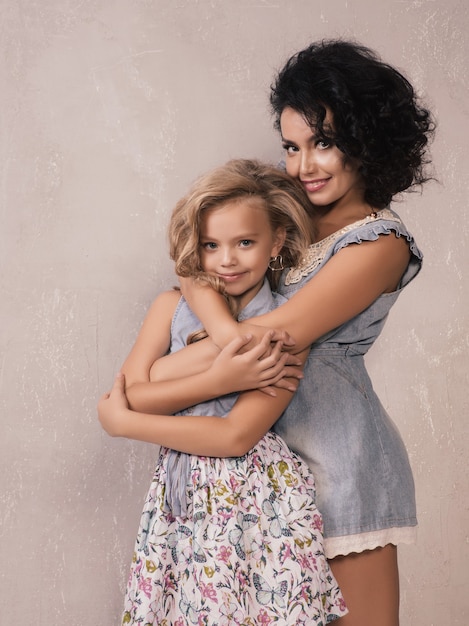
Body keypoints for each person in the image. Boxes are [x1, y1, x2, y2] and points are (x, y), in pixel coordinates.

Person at [145, 40, 435, 625]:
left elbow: (267, 339)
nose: (304, 166)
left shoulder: (379, 243)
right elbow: (191, 266)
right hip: (264, 479)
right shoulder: (286, 216)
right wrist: (224, 335)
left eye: (324, 143)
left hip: (339, 468)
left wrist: (153, 377)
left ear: (366, 140)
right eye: (292, 147)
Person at [98, 159, 347, 625]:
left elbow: (234, 436)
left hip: (254, 500)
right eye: (211, 245)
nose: (227, 260)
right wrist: (221, 378)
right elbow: (128, 393)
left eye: (245, 242)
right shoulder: (170, 305)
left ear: (276, 242)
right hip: (179, 498)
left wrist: (130, 418)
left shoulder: (287, 329)